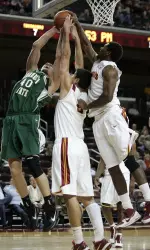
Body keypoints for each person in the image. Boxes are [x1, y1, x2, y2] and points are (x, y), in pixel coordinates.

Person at [73, 14, 150, 226]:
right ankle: (129, 209)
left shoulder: (110, 68)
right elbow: (87, 44)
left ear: (109, 52)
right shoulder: (97, 62)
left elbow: (107, 97)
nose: (100, 46)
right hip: (98, 121)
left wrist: (87, 105)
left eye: (105, 45)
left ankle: (149, 202)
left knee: (129, 160)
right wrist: (77, 24)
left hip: (111, 115)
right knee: (113, 167)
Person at [52, 16, 111, 250]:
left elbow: (64, 59)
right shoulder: (85, 96)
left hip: (66, 144)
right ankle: (99, 239)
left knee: (70, 196)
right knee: (87, 198)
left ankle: (78, 242)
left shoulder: (68, 90)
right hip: (81, 148)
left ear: (76, 79)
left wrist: (66, 32)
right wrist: (77, 40)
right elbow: (79, 65)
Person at [1, 26, 61, 230]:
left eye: (51, 65)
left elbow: (61, 60)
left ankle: (50, 205)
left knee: (34, 165)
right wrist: (54, 28)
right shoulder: (31, 70)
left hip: (28, 120)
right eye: (47, 62)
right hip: (10, 119)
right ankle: (28, 205)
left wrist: (65, 36)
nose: (48, 64)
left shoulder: (51, 84)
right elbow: (36, 45)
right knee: (14, 168)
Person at [95, 159, 130, 248]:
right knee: (104, 204)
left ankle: (119, 235)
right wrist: (97, 175)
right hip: (108, 173)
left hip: (123, 172)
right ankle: (112, 226)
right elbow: (102, 160)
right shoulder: (104, 144)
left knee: (121, 205)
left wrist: (133, 178)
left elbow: (131, 158)